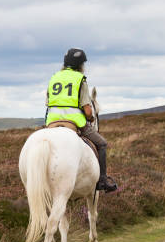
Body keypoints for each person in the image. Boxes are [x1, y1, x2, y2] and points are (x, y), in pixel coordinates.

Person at [45, 48, 118, 192]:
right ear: (80, 65)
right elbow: (87, 109)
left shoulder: (54, 78)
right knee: (102, 144)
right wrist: (90, 117)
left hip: (52, 121)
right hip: (74, 120)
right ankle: (102, 181)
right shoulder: (80, 79)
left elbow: (47, 102)